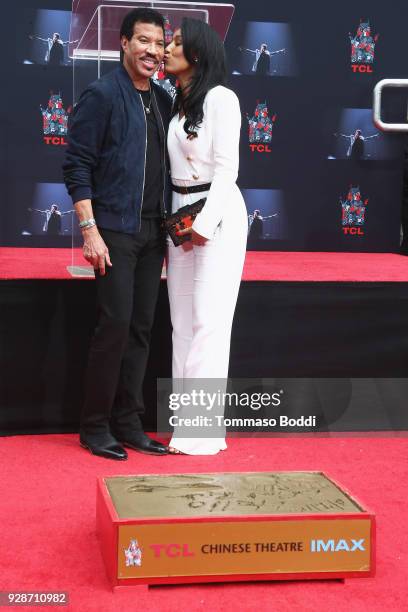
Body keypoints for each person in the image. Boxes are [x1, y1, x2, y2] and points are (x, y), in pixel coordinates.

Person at [63, 8, 172, 460]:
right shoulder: (102, 94)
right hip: (113, 231)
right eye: (143, 41)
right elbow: (76, 165)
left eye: (159, 44)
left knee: (142, 329)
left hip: (152, 231)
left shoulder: (164, 100)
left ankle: (129, 422)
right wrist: (90, 231)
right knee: (115, 325)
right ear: (123, 43)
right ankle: (94, 426)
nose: (152, 51)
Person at [164, 18, 248, 455]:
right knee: (181, 323)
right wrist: (182, 223)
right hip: (179, 218)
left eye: (175, 42)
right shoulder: (176, 100)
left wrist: (204, 223)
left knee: (208, 322)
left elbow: (227, 170)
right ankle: (185, 423)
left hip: (215, 217)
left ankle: (201, 432)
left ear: (196, 52)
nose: (166, 48)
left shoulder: (221, 98)